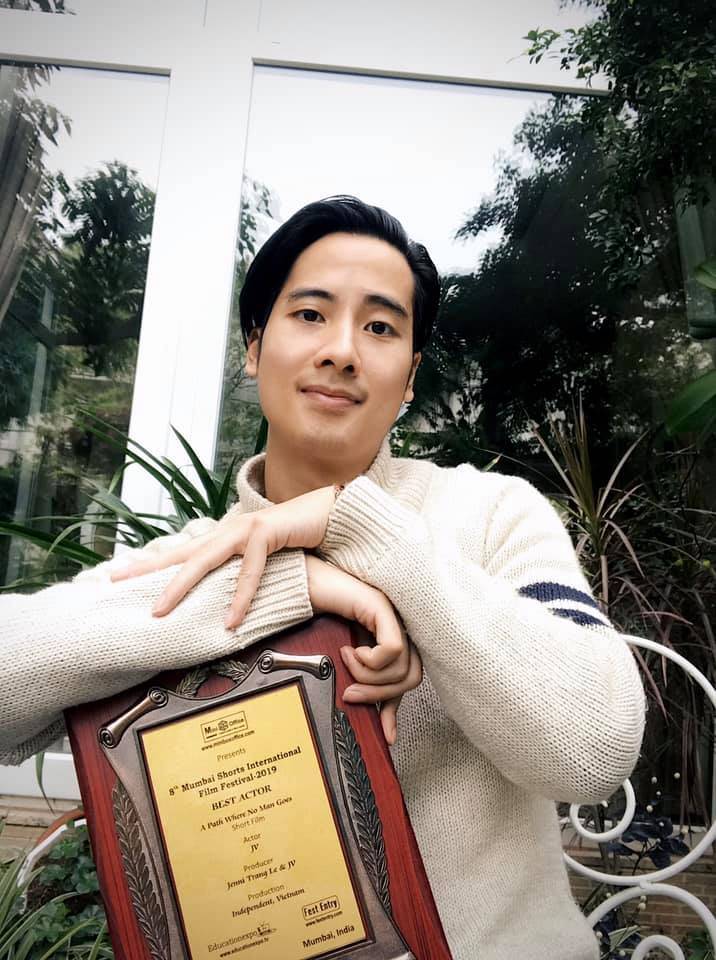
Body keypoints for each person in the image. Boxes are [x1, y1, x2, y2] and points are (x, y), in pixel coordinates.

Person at [0, 195, 645, 960]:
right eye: (310, 314)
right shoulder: (189, 564)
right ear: (253, 348)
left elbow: (594, 750)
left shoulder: (491, 514)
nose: (342, 350)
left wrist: (359, 528)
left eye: (381, 328)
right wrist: (293, 586)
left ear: (410, 377)